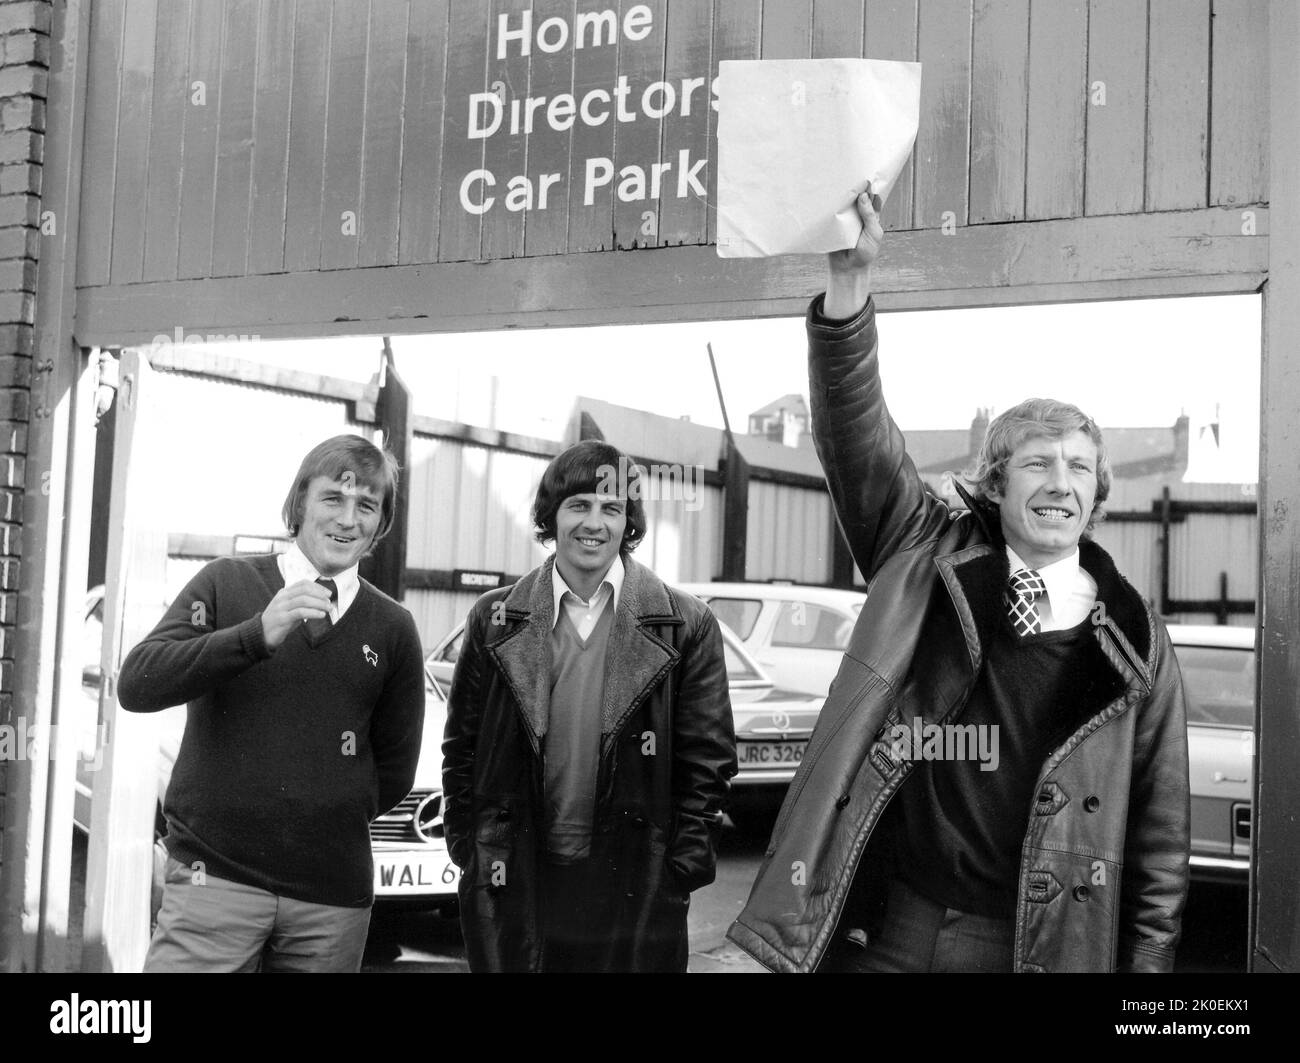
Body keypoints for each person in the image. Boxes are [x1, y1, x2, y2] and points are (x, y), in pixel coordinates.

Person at [728, 187, 1190, 973]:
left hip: (1030, 948)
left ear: (1098, 493)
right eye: (1037, 462)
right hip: (890, 924)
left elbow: (1161, 840)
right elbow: (857, 441)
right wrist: (848, 291)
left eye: (1079, 467)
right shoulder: (923, 556)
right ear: (995, 484)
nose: (1059, 482)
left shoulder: (1136, 638)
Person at [118, 434, 425, 972]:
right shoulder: (226, 582)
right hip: (212, 883)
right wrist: (255, 635)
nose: (348, 519)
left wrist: (324, 810)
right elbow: (139, 683)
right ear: (300, 502)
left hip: (330, 899)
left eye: (366, 506)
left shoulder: (394, 627)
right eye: (334, 498)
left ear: (381, 523)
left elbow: (395, 768)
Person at [442, 439, 737, 972]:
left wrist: (681, 865)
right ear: (550, 517)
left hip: (634, 879)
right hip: (521, 871)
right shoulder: (494, 618)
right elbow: (460, 748)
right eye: (579, 505)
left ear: (629, 523)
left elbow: (708, 760)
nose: (594, 523)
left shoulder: (685, 624)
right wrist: (471, 847)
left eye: (611, 508)